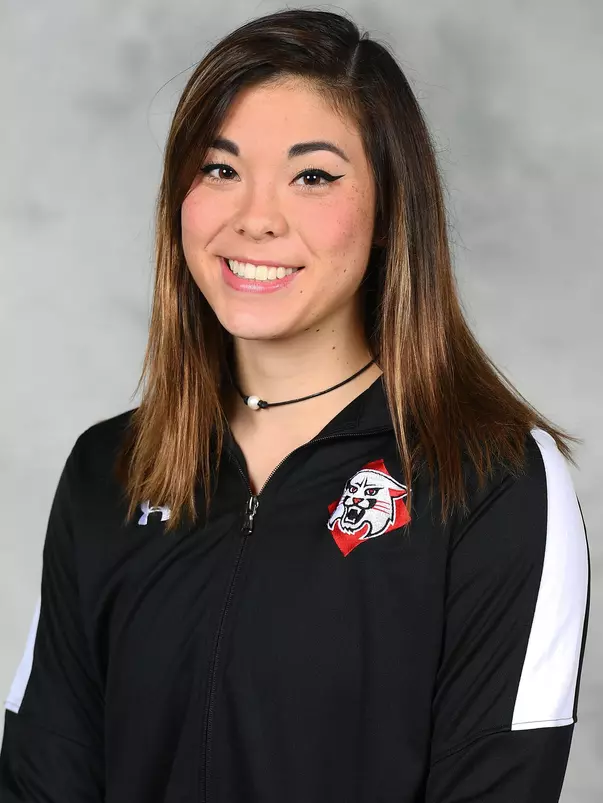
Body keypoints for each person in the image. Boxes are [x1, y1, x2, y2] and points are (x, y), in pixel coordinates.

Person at [0, 8, 590, 803]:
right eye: (219, 169)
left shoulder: (490, 479)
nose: (256, 217)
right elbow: (42, 774)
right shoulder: (109, 471)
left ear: (388, 213)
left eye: (313, 175)